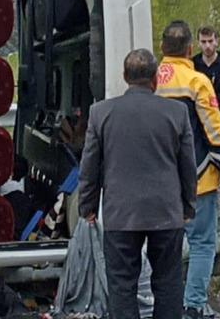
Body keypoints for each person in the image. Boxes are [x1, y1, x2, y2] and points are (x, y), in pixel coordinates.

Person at [78, 48, 197, 319]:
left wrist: (87, 205)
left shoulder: (101, 113)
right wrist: (188, 206)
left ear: (124, 76)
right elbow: (187, 166)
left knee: (121, 285)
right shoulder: (177, 112)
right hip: (166, 213)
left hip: (121, 214)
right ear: (156, 78)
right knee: (168, 283)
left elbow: (90, 166)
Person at [155, 21, 220, 319]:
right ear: (190, 49)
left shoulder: (148, 80)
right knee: (202, 243)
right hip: (198, 178)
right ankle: (193, 306)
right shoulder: (196, 81)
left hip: (158, 180)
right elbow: (216, 131)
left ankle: (166, 304)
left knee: (165, 246)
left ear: (162, 47)